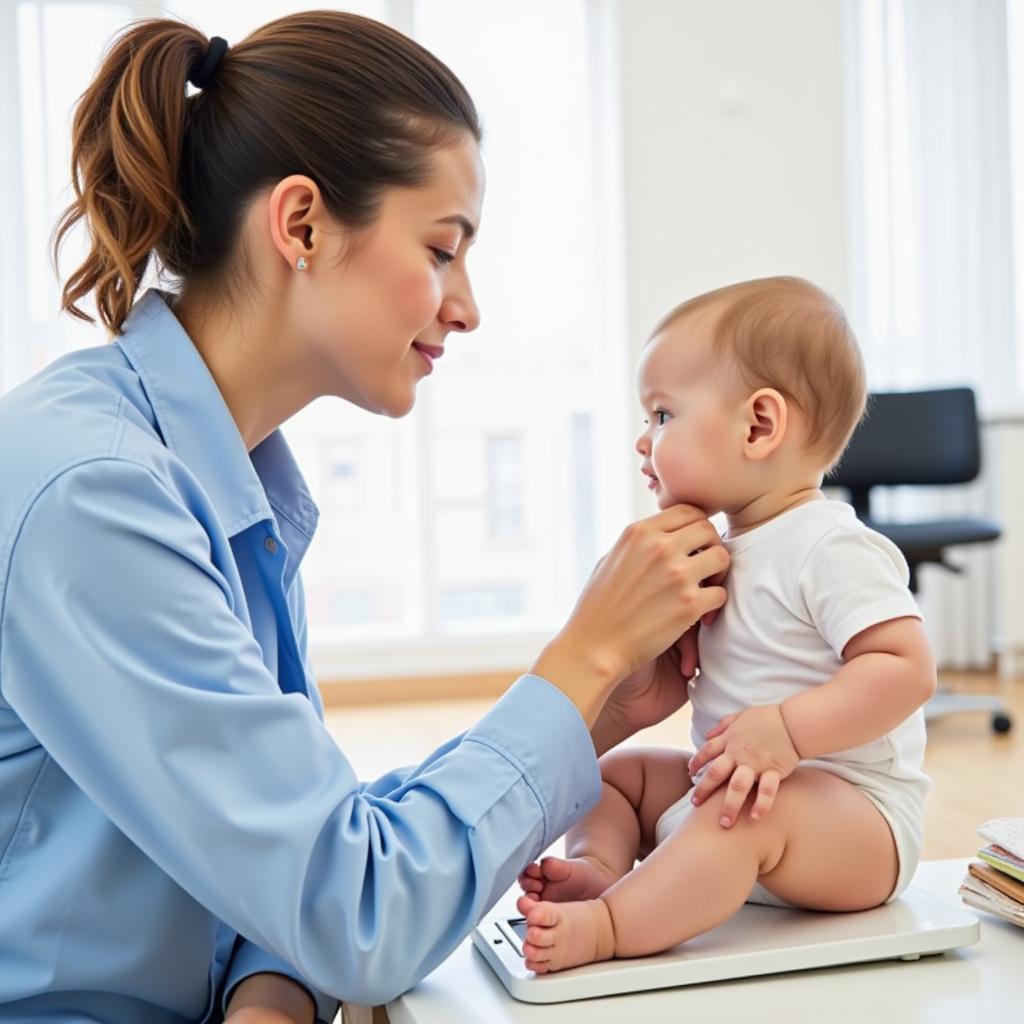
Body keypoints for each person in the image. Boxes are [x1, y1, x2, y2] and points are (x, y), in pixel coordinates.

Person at [0, 13, 730, 1024]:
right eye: (442, 247)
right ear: (300, 225)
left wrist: (273, 986)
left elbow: (283, 846)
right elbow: (356, 910)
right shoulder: (97, 495)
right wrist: (581, 660)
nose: (466, 306)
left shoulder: (223, 474)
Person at [516, 276, 937, 974]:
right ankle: (604, 868)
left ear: (759, 425)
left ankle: (613, 925)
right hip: (741, 791)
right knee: (615, 775)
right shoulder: (717, 549)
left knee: (740, 814)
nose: (643, 442)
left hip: (858, 821)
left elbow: (906, 666)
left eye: (662, 416)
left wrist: (789, 730)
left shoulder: (829, 544)